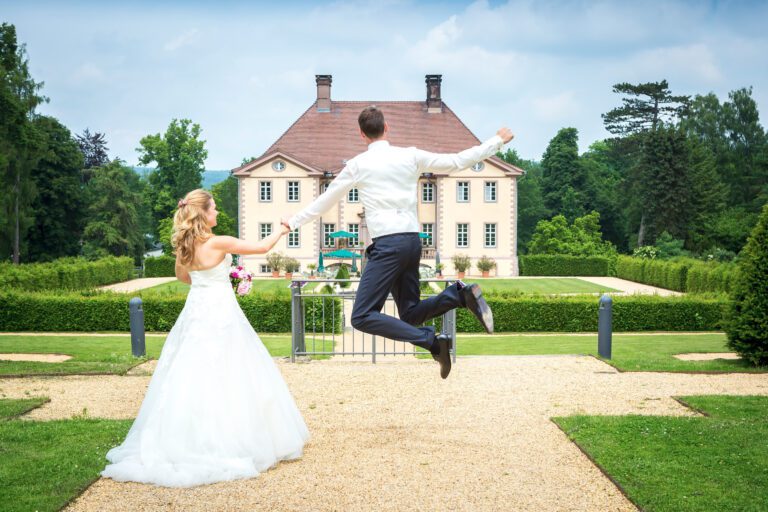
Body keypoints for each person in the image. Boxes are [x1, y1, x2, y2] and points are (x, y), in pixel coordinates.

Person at [283, 106, 514, 379]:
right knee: (411, 314)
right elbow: (456, 161)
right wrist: (496, 141)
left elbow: (326, 200)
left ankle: (431, 341)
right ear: (387, 128)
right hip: (411, 242)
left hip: (388, 246)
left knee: (361, 316)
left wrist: (293, 222)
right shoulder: (410, 155)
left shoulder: (358, 164)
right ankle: (458, 295)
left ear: (361, 134)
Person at [102, 189, 309, 488]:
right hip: (222, 313)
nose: (217, 213)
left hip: (195, 312)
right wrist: (282, 227)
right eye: (213, 209)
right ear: (203, 214)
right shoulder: (218, 242)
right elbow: (262, 248)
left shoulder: (184, 247)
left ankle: (183, 440)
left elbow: (183, 278)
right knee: (232, 369)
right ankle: (233, 440)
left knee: (189, 371)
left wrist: (211, 276)